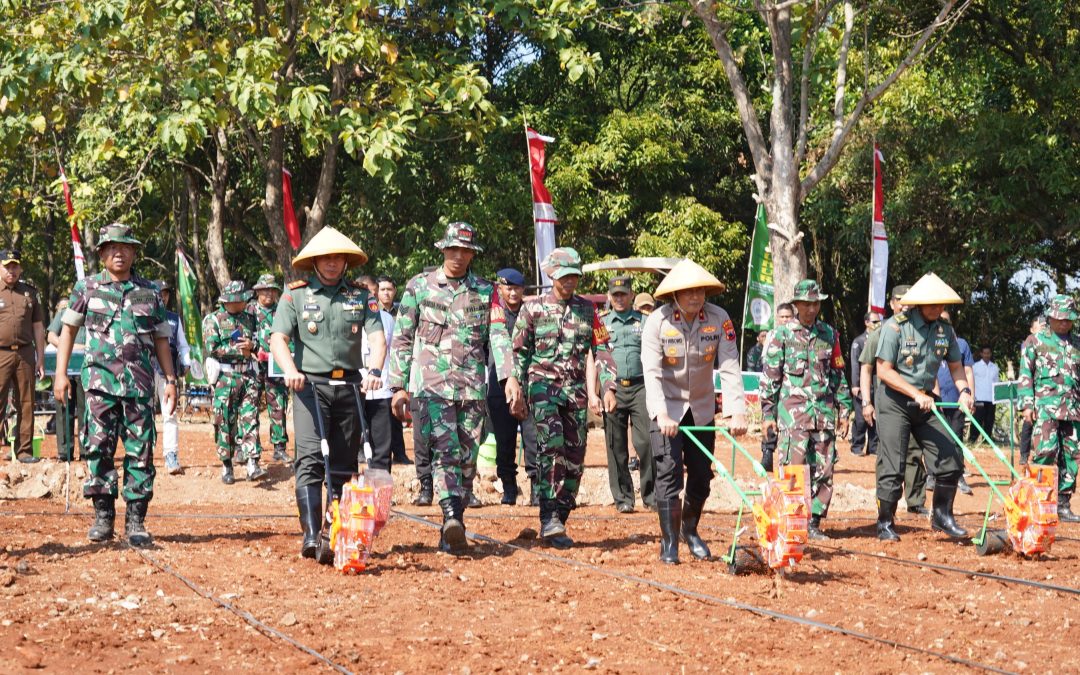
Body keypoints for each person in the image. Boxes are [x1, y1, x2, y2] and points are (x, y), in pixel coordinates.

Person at [388, 222, 510, 552]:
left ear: (472, 254)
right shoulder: (420, 287)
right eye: (453, 249)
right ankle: (451, 513)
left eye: (465, 251)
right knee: (446, 452)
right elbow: (401, 336)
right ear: (443, 250)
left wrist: (509, 378)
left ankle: (450, 525)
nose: (458, 256)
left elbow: (498, 335)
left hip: (471, 388)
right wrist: (398, 386)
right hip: (432, 388)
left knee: (468, 458)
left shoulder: (486, 291)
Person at [54, 223, 177, 546]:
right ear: (102, 253)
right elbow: (67, 330)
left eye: (124, 247)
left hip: (138, 386)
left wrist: (171, 380)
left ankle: (136, 520)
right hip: (98, 384)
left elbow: (162, 339)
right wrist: (60, 373)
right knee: (97, 448)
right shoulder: (87, 288)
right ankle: (103, 515)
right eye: (111, 247)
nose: (118, 253)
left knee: (141, 452)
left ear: (134, 252)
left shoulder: (149, 291)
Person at [270, 227, 385, 560]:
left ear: (345, 262)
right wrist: (290, 370)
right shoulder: (295, 295)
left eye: (338, 258)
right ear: (315, 261)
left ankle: (336, 529)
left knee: (344, 461)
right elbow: (279, 338)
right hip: (310, 387)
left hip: (350, 385)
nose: (332, 263)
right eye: (326, 258)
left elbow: (377, 338)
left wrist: (375, 371)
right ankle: (310, 533)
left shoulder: (362, 296)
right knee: (309, 458)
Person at [506, 247, 616, 549]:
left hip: (576, 394)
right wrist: (514, 382)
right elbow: (519, 352)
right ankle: (549, 515)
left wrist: (608, 387)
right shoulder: (533, 309)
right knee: (550, 449)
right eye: (565, 276)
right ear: (552, 274)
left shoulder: (588, 310)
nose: (570, 282)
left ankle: (560, 516)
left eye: (574, 277)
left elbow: (603, 350)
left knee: (575, 459)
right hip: (543, 390)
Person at [641, 259, 746, 563]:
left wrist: (736, 410)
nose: (695, 297)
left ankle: (690, 529)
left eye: (699, 291)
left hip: (701, 410)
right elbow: (652, 372)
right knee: (668, 474)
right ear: (674, 294)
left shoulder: (719, 319)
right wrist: (661, 414)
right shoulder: (658, 322)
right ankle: (669, 541)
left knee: (701, 476)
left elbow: (728, 365)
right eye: (688, 292)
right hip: (667, 409)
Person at [872, 272, 972, 542]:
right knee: (894, 464)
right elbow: (883, 371)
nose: (937, 309)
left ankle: (942, 517)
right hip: (895, 401)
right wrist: (915, 393)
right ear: (918, 304)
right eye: (932, 304)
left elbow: (955, 366)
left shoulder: (945, 331)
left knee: (950, 455)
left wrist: (964, 391)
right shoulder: (895, 327)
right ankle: (885, 522)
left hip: (926, 403)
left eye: (941, 304)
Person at [760, 280, 852, 540]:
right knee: (793, 469)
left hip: (823, 414)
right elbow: (770, 378)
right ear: (796, 305)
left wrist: (844, 411)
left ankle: (814, 523)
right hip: (794, 417)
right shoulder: (783, 335)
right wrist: (768, 415)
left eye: (815, 303)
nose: (811, 308)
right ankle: (791, 521)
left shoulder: (829, 334)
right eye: (806, 304)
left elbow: (837, 374)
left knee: (824, 470)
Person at [860, 285, 929, 515]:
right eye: (900, 300)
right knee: (889, 456)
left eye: (909, 301)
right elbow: (867, 368)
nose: (905, 305)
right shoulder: (883, 331)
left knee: (914, 452)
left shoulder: (921, 331)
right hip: (888, 402)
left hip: (915, 402)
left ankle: (916, 501)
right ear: (892, 303)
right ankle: (885, 505)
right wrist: (867, 403)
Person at [591, 275, 655, 514]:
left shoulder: (645, 321)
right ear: (609, 296)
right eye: (615, 295)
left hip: (641, 388)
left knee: (647, 442)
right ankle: (623, 498)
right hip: (613, 388)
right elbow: (594, 357)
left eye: (623, 294)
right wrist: (595, 393)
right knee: (615, 445)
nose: (619, 298)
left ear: (631, 295)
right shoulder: (603, 322)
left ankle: (651, 496)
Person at [1017, 295, 1080, 522]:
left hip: (1073, 410)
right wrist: (1026, 406)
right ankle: (1038, 501)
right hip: (1045, 409)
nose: (1064, 323)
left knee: (1072, 456)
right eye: (1060, 319)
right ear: (1051, 317)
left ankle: (1063, 504)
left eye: (1068, 320)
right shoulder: (1035, 341)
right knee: (1045, 452)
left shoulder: (1077, 344)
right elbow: (1025, 375)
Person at [485, 268, 538, 505]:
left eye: (517, 288)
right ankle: (509, 487)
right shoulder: (492, 313)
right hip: (499, 383)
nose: (513, 292)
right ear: (500, 288)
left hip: (529, 384)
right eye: (508, 288)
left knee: (533, 438)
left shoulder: (532, 312)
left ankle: (537, 487)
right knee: (504, 440)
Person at [203, 280, 263, 483]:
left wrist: (252, 346)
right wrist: (239, 350)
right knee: (224, 422)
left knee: (250, 419)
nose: (242, 304)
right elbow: (212, 347)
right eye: (238, 301)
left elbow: (260, 342)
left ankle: (252, 463)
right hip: (225, 378)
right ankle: (227, 465)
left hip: (248, 376)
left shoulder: (250, 318)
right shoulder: (214, 319)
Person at [0, 249, 46, 463]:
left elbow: (38, 327)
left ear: (20, 268)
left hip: (26, 353)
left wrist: (41, 358)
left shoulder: (30, 293)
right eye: (7, 266)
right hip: (1, 353)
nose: (11, 270)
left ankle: (24, 450)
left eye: (14, 266)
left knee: (26, 402)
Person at [932, 308, 974, 494]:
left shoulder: (961, 344)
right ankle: (932, 475)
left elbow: (967, 371)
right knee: (935, 439)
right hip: (935, 401)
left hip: (956, 401)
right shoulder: (928, 340)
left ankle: (959, 475)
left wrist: (969, 395)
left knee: (956, 439)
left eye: (945, 320)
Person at [153, 280, 192, 474]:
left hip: (167, 372)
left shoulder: (174, 318)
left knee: (169, 413)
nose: (163, 296)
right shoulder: (144, 315)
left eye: (166, 293)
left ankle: (170, 454)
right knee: (142, 415)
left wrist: (186, 362)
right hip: (145, 369)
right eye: (160, 293)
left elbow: (182, 344)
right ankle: (143, 455)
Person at [251, 274, 290, 464]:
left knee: (278, 405)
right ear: (257, 291)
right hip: (253, 366)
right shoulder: (249, 311)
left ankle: (279, 447)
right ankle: (250, 447)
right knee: (250, 407)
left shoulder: (282, 311)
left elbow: (290, 337)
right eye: (264, 290)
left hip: (276, 366)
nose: (268, 293)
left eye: (272, 290)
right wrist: (252, 349)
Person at [48, 297, 86, 462]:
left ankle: (86, 451)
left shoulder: (92, 312)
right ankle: (64, 452)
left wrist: (83, 348)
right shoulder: (64, 311)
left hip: (86, 367)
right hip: (65, 367)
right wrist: (66, 345)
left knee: (86, 411)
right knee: (64, 409)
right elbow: (51, 336)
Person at [759, 302, 794, 471]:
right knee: (770, 418)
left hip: (791, 388)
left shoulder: (797, 335)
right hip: (774, 385)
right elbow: (766, 361)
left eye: (789, 316)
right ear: (777, 318)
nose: (786, 320)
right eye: (783, 317)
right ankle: (767, 452)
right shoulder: (772, 335)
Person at [360, 303, 396, 471]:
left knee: (382, 445)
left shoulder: (387, 319)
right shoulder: (346, 317)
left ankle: (381, 492)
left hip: (381, 388)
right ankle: (351, 491)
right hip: (354, 387)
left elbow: (395, 351)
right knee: (349, 445)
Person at [850, 311, 882, 456]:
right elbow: (855, 364)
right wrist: (855, 384)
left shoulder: (881, 338)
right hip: (863, 385)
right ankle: (857, 446)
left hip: (876, 383)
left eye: (879, 321)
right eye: (874, 322)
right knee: (860, 418)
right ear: (866, 323)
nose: (877, 324)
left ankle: (873, 447)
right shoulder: (859, 341)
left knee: (875, 416)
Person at [1018, 317, 1046, 464]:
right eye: (1038, 327)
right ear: (1032, 329)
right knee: (1028, 423)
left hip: (1045, 391)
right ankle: (1024, 454)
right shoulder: (1029, 341)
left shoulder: (1049, 341)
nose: (1041, 330)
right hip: (1031, 389)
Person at [971, 345, 1000, 443]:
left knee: (989, 421)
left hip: (991, 399)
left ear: (990, 354)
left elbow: (997, 383)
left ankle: (987, 441)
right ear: (981, 354)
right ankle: (972, 439)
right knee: (977, 420)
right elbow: (971, 381)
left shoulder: (995, 367)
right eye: (985, 353)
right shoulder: (975, 366)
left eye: (988, 353)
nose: (987, 355)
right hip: (979, 398)